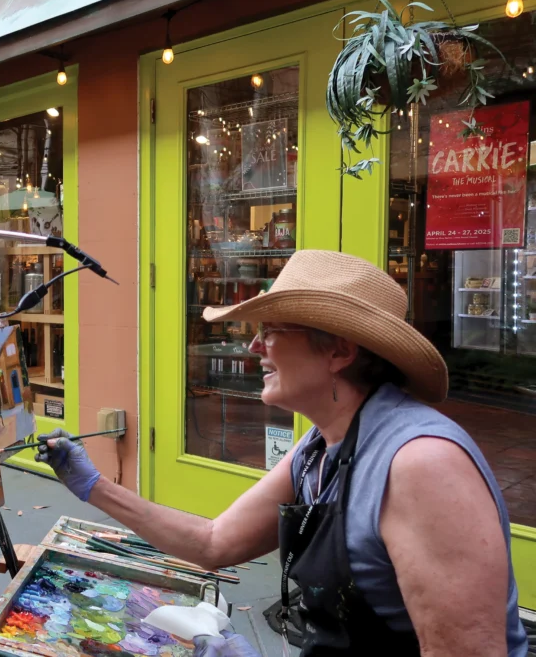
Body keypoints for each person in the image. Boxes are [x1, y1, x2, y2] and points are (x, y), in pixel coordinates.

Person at [37, 250, 528, 656]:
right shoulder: (319, 447)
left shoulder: (420, 465)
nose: (253, 347)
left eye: (270, 330)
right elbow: (214, 543)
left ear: (338, 351)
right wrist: (93, 487)